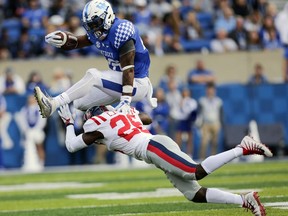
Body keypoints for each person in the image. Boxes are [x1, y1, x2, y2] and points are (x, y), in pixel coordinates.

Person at [57, 104, 271, 216]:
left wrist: (68, 122)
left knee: (194, 171)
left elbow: (71, 145)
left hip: (152, 147)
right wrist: (128, 114)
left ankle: (242, 148)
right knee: (194, 194)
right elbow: (147, 118)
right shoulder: (119, 113)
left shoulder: (96, 124)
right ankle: (245, 200)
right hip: (156, 145)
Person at [34, 0, 157, 118]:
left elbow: (129, 69)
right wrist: (63, 40)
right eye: (90, 25)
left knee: (93, 75)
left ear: (107, 17)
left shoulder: (121, 30)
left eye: (96, 23)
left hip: (136, 83)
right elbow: (77, 42)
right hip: (119, 80)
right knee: (79, 103)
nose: (94, 29)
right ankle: (116, 114)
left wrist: (126, 100)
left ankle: (53, 103)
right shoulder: (99, 31)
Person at [198, 82, 223, 159]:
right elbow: (199, 113)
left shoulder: (218, 101)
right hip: (206, 123)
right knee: (204, 142)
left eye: (211, 90)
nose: (210, 91)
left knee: (215, 143)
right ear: (206, 90)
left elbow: (221, 113)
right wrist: (199, 124)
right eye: (208, 90)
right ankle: (201, 159)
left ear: (214, 91)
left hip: (215, 123)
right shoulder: (202, 100)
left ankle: (213, 159)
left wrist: (220, 123)